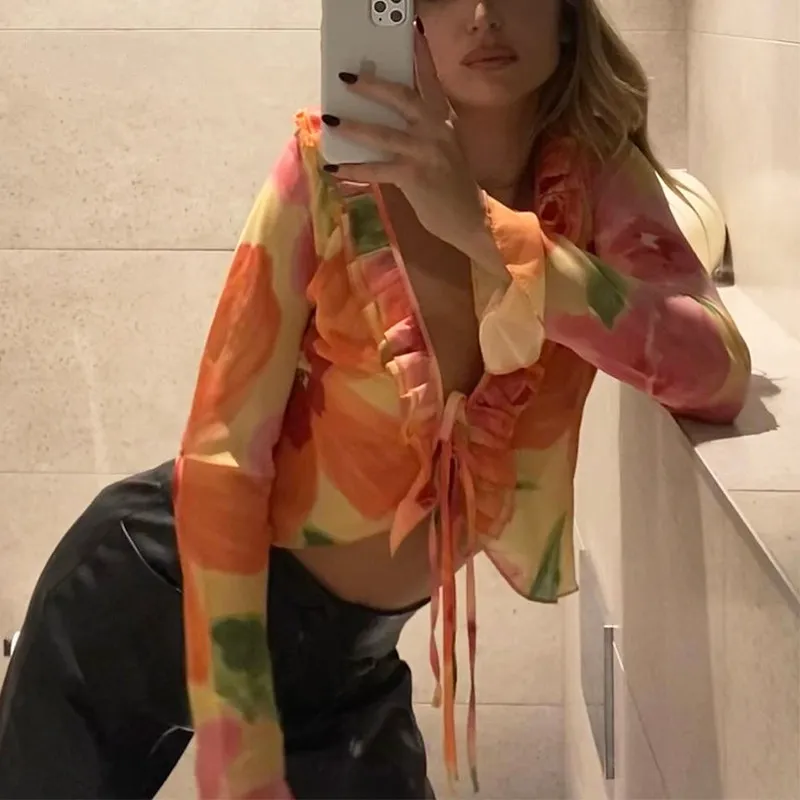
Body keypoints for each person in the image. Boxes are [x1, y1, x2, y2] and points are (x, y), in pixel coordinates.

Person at [0, 1, 751, 798]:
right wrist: (240, 738)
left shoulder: (594, 181)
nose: (483, 14)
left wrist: (484, 229)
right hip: (152, 600)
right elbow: (221, 456)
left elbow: (717, 370)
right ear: (409, 19)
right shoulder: (329, 168)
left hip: (346, 667)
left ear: (567, 16)